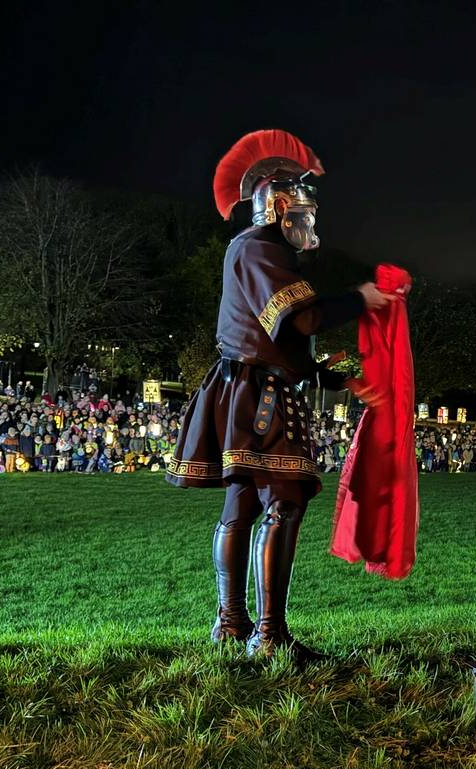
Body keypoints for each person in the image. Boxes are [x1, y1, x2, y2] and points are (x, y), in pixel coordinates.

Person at [166, 129, 394, 661]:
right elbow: (302, 317)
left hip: (253, 385)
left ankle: (234, 627)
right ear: (283, 208)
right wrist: (360, 299)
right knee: (281, 506)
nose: (311, 222)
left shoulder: (255, 250)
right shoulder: (260, 248)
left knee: (243, 505)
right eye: (305, 211)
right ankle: (265, 636)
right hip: (259, 394)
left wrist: (326, 376)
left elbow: (280, 337)